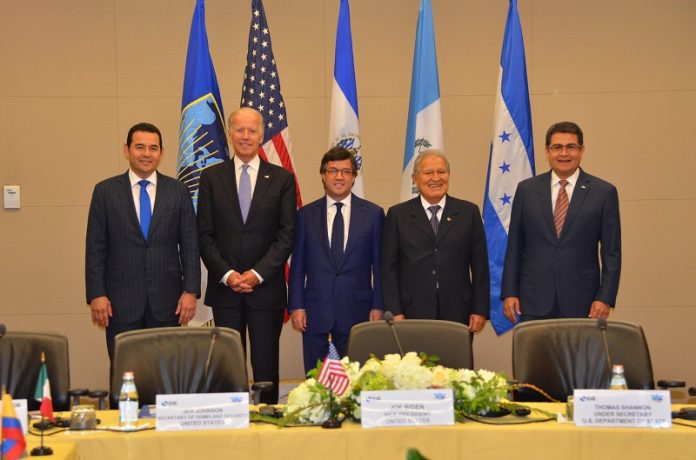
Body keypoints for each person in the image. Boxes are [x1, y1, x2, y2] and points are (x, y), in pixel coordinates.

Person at [197, 107, 296, 404]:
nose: (245, 136)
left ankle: (267, 421)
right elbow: (203, 234)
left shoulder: (281, 179)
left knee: (266, 366)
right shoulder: (211, 177)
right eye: (239, 130)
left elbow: (286, 234)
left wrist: (256, 274)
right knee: (229, 367)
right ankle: (232, 424)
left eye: (252, 130)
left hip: (266, 290)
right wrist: (227, 275)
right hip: (225, 290)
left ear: (262, 135)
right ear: (229, 133)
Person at [85, 122, 200, 360]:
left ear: (161, 153)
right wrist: (97, 294)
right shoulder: (105, 192)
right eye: (140, 147)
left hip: (168, 302)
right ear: (126, 150)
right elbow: (95, 248)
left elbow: (190, 245)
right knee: (125, 374)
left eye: (153, 148)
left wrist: (190, 290)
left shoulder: (178, 191)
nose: (146, 154)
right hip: (120, 302)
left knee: (166, 373)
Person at [501, 121, 621, 323]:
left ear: (581, 151)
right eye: (557, 147)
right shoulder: (526, 190)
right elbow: (515, 245)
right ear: (547, 152)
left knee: (576, 356)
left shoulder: (604, 192)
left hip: (582, 301)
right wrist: (509, 292)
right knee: (535, 356)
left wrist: (605, 297)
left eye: (571, 147)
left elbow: (612, 253)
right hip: (533, 299)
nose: (563, 153)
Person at [288, 147, 384, 373]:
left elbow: (380, 267)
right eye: (333, 171)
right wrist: (296, 305)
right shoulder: (305, 216)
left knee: (356, 381)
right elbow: (298, 266)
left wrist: (378, 305)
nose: (339, 177)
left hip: (358, 311)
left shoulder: (373, 214)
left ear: (353, 177)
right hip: (314, 312)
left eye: (345, 172)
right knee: (316, 381)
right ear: (323, 175)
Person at [381, 150, 490, 332]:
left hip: (458, 311)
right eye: (428, 173)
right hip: (411, 312)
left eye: (441, 172)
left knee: (456, 361)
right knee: (413, 361)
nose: (436, 178)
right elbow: (388, 268)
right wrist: (395, 310)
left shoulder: (468, 212)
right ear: (415, 179)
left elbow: (480, 266)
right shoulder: (397, 215)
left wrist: (480, 309)